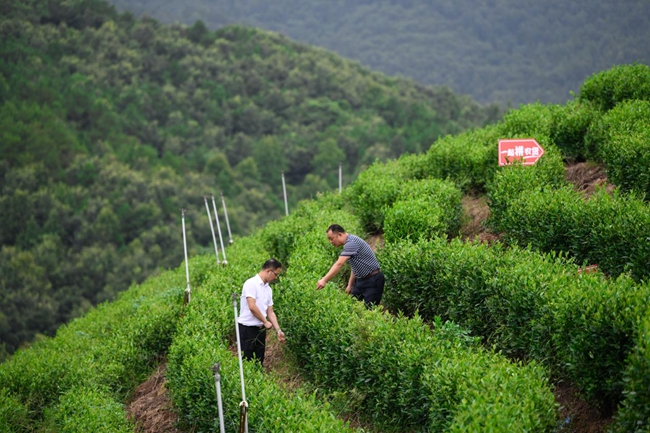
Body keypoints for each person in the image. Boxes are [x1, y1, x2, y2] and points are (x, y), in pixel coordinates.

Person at [316, 224, 384, 308]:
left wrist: (324, 280)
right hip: (360, 281)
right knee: (352, 308)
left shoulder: (351, 243)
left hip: (373, 280)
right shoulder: (349, 243)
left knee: (369, 310)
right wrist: (350, 285)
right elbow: (354, 266)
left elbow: (339, 264)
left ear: (340, 235)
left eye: (331, 238)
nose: (330, 242)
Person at [237, 258, 286, 365]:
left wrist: (278, 330)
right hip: (247, 329)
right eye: (276, 274)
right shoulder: (250, 283)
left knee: (259, 361)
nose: (276, 278)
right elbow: (252, 306)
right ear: (269, 271)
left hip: (260, 330)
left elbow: (270, 312)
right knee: (247, 361)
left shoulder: (268, 289)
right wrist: (265, 321)